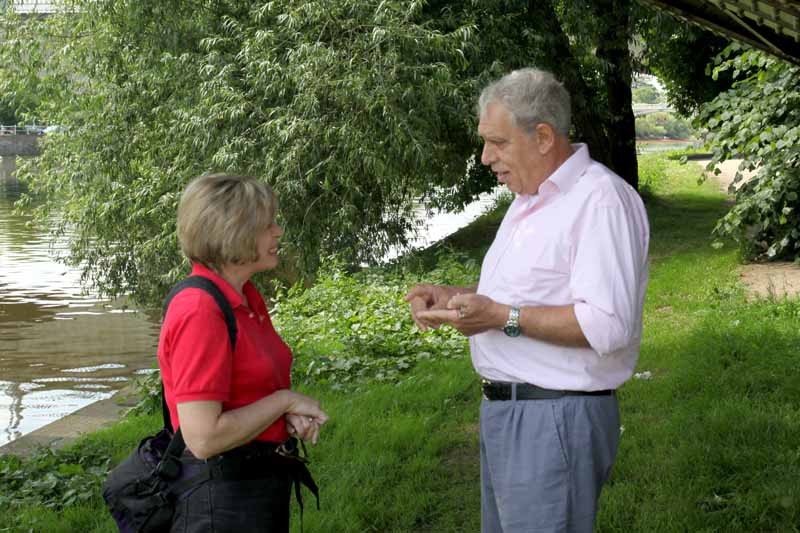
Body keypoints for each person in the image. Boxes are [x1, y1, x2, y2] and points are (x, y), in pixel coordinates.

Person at [406, 68, 649, 533]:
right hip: (516, 413)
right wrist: (456, 297)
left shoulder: (599, 201)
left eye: (496, 142)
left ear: (542, 137)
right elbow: (530, 294)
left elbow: (607, 326)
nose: (484, 157)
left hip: (553, 418)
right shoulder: (531, 198)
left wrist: (499, 316)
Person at [158, 173, 329, 533]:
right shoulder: (200, 309)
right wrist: (284, 402)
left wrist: (282, 419)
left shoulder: (245, 296)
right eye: (267, 224)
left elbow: (244, 394)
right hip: (221, 502)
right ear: (233, 232)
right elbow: (204, 439)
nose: (278, 232)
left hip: (256, 485)